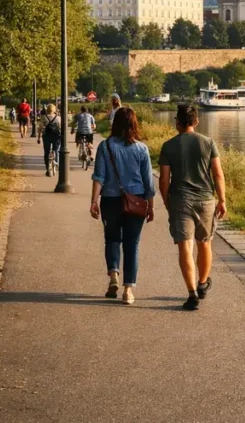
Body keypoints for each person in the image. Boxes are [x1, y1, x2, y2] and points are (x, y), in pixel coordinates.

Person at [158, 104, 226, 311]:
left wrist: (166, 200)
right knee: (204, 243)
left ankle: (192, 293)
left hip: (180, 200)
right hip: (205, 200)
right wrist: (222, 200)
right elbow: (217, 174)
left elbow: (164, 179)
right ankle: (203, 283)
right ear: (196, 121)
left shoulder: (169, 146)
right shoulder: (208, 143)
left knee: (185, 246)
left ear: (177, 122)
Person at [90, 107, 155, 305]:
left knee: (111, 239)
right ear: (134, 124)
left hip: (110, 200)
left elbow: (99, 176)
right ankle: (128, 291)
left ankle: (113, 276)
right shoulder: (141, 149)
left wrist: (94, 201)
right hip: (136, 200)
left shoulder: (105, 146)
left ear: (115, 123)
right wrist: (150, 206)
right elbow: (148, 183)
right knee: (132, 244)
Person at [38, 104, 63, 176]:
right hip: (56, 136)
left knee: (46, 151)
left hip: (46, 136)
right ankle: (56, 163)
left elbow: (40, 128)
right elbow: (61, 128)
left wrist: (39, 137)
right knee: (56, 150)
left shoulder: (44, 117)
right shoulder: (58, 118)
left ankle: (47, 167)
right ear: (54, 110)